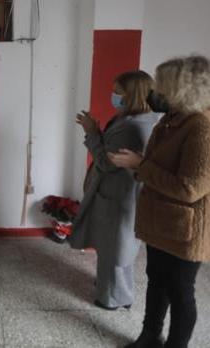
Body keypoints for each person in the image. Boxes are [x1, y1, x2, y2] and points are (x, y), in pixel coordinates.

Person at [108, 56, 210, 348]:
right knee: (156, 281)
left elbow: (191, 188)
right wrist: (138, 164)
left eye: (163, 87)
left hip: (184, 229)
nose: (156, 94)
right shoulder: (171, 120)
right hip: (160, 223)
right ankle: (150, 336)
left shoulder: (202, 128)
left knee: (180, 290)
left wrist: (140, 165)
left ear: (184, 90)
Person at [69, 71, 159, 310]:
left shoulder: (132, 127)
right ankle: (119, 291)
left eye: (118, 92)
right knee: (117, 246)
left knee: (115, 249)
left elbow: (105, 162)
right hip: (119, 194)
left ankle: (111, 298)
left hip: (119, 195)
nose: (114, 96)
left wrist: (90, 132)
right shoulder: (138, 118)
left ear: (133, 95)